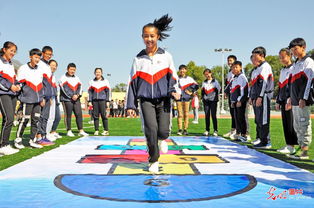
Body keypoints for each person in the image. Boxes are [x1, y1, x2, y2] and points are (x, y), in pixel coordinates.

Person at [126, 14, 180, 174]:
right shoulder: (138, 59)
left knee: (162, 131)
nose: (149, 39)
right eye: (146, 36)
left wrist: (174, 91)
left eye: (152, 36)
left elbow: (173, 76)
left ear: (158, 36)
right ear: (142, 37)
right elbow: (131, 82)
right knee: (151, 129)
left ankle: (162, 139)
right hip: (145, 100)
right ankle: (153, 160)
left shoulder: (166, 56)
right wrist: (130, 104)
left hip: (164, 99)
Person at [287, 38, 313, 160]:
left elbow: (309, 82)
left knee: (304, 125)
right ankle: (301, 148)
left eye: (295, 49)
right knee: (297, 126)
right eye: (292, 50)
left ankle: (305, 152)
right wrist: (289, 99)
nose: (293, 52)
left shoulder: (309, 62)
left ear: (303, 47)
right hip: (294, 100)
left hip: (303, 100)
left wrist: (304, 98)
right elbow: (291, 83)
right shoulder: (295, 64)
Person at [14, 48, 46, 149]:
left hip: (37, 101)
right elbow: (19, 83)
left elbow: (41, 86)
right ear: (30, 57)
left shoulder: (40, 70)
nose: (37, 59)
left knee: (35, 120)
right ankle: (18, 140)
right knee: (24, 120)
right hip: (27, 100)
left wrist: (42, 98)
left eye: (39, 58)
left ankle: (32, 140)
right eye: (35, 57)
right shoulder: (23, 68)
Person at [249, 47, 274, 149]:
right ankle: (260, 138)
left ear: (262, 56)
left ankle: (266, 141)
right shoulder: (256, 69)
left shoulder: (265, 66)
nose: (253, 58)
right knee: (258, 119)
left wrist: (260, 96)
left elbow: (263, 84)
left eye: (255, 56)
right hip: (257, 97)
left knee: (264, 119)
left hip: (264, 96)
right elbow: (253, 85)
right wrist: (252, 97)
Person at [275, 48, 298, 154]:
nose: (281, 59)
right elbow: (280, 86)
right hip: (283, 99)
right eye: (280, 57)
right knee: (285, 122)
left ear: (289, 56)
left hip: (290, 100)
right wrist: (278, 100)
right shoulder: (282, 70)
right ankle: (288, 144)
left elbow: (293, 85)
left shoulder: (294, 68)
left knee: (290, 122)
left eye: (283, 57)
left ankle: (292, 145)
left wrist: (290, 98)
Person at [0, 41, 20, 155]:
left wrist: (17, 85)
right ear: (4, 50)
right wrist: (10, 86)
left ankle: (5, 143)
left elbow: (13, 78)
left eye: (14, 51)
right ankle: (3, 145)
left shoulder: (11, 64)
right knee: (9, 118)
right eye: (11, 50)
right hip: (3, 93)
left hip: (12, 93)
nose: (13, 53)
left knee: (9, 119)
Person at [59, 63, 88, 137]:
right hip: (66, 99)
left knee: (79, 114)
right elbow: (64, 88)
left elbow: (80, 87)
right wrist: (72, 95)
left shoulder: (77, 78)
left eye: (74, 70)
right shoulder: (63, 78)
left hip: (76, 99)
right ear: (67, 69)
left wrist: (77, 95)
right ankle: (69, 130)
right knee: (68, 115)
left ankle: (81, 130)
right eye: (71, 69)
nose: (72, 71)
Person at [36, 46, 55, 145]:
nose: (49, 56)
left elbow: (50, 83)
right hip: (42, 95)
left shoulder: (48, 66)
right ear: (43, 53)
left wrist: (50, 96)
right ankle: (38, 137)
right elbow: (40, 81)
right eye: (47, 54)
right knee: (41, 116)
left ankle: (43, 135)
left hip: (48, 96)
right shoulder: (39, 64)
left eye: (50, 54)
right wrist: (42, 96)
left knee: (46, 117)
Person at [176, 64, 199, 135]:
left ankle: (185, 129)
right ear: (179, 70)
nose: (182, 71)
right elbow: (173, 87)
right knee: (179, 114)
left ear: (186, 70)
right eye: (181, 69)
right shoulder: (176, 78)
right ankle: (180, 129)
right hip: (178, 98)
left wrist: (190, 90)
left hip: (186, 98)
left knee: (186, 114)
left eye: (183, 69)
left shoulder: (189, 78)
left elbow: (196, 85)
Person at [229, 61, 249, 142]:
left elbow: (243, 90)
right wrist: (233, 101)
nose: (234, 69)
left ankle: (244, 135)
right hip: (236, 101)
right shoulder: (235, 78)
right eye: (233, 67)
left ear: (240, 67)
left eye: (236, 67)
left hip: (241, 101)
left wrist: (239, 100)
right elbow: (233, 91)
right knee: (237, 118)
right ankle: (239, 133)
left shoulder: (242, 77)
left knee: (241, 118)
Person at [88, 67, 111, 136]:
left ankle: (106, 130)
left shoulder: (105, 81)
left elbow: (108, 92)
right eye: (96, 72)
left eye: (99, 72)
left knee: (104, 115)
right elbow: (90, 92)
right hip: (94, 101)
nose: (98, 73)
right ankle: (96, 130)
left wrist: (107, 101)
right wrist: (89, 101)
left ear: (101, 73)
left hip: (103, 100)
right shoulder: (91, 82)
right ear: (94, 73)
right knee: (95, 116)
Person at [201, 68, 221, 136]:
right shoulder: (204, 82)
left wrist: (216, 98)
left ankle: (215, 130)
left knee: (213, 115)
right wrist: (203, 98)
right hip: (206, 101)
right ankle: (207, 130)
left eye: (208, 74)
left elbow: (219, 90)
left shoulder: (216, 82)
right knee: (207, 115)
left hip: (213, 101)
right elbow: (202, 91)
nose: (207, 75)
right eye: (205, 74)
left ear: (211, 73)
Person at [47, 60, 62, 140]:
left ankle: (52, 132)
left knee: (57, 117)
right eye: (52, 65)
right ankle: (45, 133)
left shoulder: (53, 76)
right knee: (48, 117)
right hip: (48, 98)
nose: (53, 67)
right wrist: (48, 97)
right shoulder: (47, 75)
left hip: (54, 98)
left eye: (55, 66)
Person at [223, 55, 237, 138]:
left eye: (231, 60)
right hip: (231, 95)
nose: (229, 62)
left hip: (236, 95)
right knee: (232, 113)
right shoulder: (229, 71)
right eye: (228, 60)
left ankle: (243, 132)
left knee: (238, 114)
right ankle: (233, 130)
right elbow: (227, 84)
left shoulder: (238, 71)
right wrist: (226, 92)